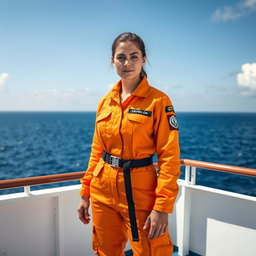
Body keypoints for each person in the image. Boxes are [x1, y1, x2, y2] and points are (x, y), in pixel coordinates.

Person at [77, 32, 180, 256]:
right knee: (105, 251)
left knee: (152, 251)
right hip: (102, 189)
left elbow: (169, 156)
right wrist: (86, 193)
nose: (127, 63)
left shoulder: (159, 101)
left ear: (144, 59)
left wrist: (162, 207)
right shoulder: (105, 102)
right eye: (121, 57)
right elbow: (97, 151)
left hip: (140, 190)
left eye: (134, 57)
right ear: (112, 61)